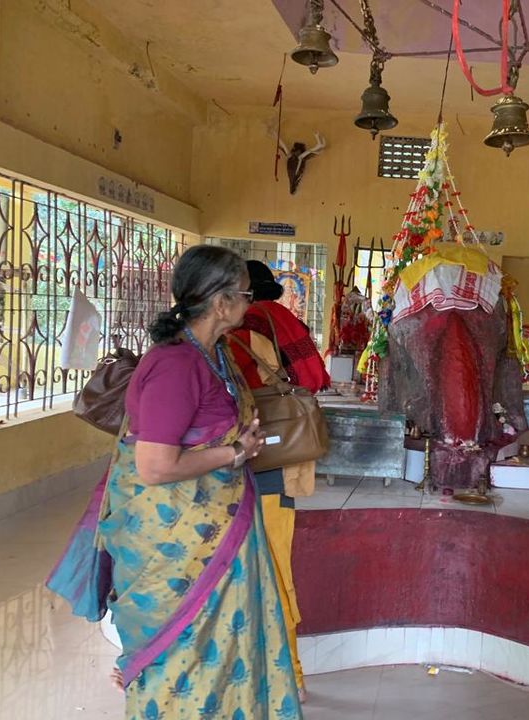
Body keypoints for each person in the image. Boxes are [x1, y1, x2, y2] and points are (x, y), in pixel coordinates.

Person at [49, 245, 303, 720]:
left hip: (216, 531)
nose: (250, 303)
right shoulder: (176, 365)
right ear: (221, 303)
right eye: (245, 295)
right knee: (181, 665)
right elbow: (154, 467)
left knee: (219, 663)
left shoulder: (216, 353)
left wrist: (238, 443)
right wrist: (233, 452)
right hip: (175, 547)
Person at [228, 260, 330, 703]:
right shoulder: (284, 319)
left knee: (261, 573)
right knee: (277, 569)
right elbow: (315, 378)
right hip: (281, 461)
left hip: (248, 462)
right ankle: (293, 675)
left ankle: (277, 675)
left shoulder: (240, 328)